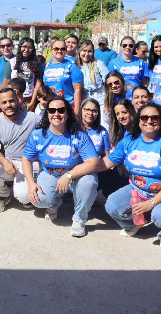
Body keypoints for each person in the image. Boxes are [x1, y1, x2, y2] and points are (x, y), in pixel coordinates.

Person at [103, 103, 161, 250]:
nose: (149, 121)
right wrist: (77, 170)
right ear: (138, 120)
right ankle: (135, 223)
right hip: (137, 191)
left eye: (154, 117)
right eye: (144, 117)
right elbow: (105, 162)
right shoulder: (129, 141)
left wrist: (152, 203)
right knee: (112, 205)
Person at [22, 96, 100, 237]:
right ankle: (54, 204)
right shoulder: (38, 134)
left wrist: (69, 175)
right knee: (38, 200)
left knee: (89, 182)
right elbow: (26, 158)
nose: (56, 114)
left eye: (61, 110)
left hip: (76, 176)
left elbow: (94, 162)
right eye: (52, 110)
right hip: (50, 174)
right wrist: (30, 183)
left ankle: (79, 219)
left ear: (68, 113)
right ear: (47, 113)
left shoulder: (79, 135)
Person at [0, 88, 41, 212]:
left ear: (18, 100)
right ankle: (4, 195)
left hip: (31, 163)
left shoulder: (34, 119)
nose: (8, 105)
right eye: (4, 102)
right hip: (10, 163)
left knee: (23, 198)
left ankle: (25, 194)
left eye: (11, 101)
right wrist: (5, 162)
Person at [0, 38, 42, 111]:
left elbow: (38, 83)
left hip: (29, 98)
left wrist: (32, 102)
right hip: (13, 99)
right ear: (20, 47)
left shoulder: (37, 63)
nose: (26, 50)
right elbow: (5, 82)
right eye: (24, 47)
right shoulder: (11, 62)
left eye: (30, 47)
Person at [43, 39, 83, 109]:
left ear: (66, 51)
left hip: (67, 106)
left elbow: (77, 90)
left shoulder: (72, 67)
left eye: (63, 49)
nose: (59, 51)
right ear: (51, 50)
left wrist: (76, 109)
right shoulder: (45, 67)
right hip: (49, 106)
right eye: (56, 49)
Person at [75, 39, 108, 107]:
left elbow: (108, 84)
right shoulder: (75, 66)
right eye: (84, 51)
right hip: (83, 100)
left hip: (100, 101)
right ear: (79, 51)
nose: (87, 54)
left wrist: (107, 104)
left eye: (90, 51)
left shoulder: (99, 64)